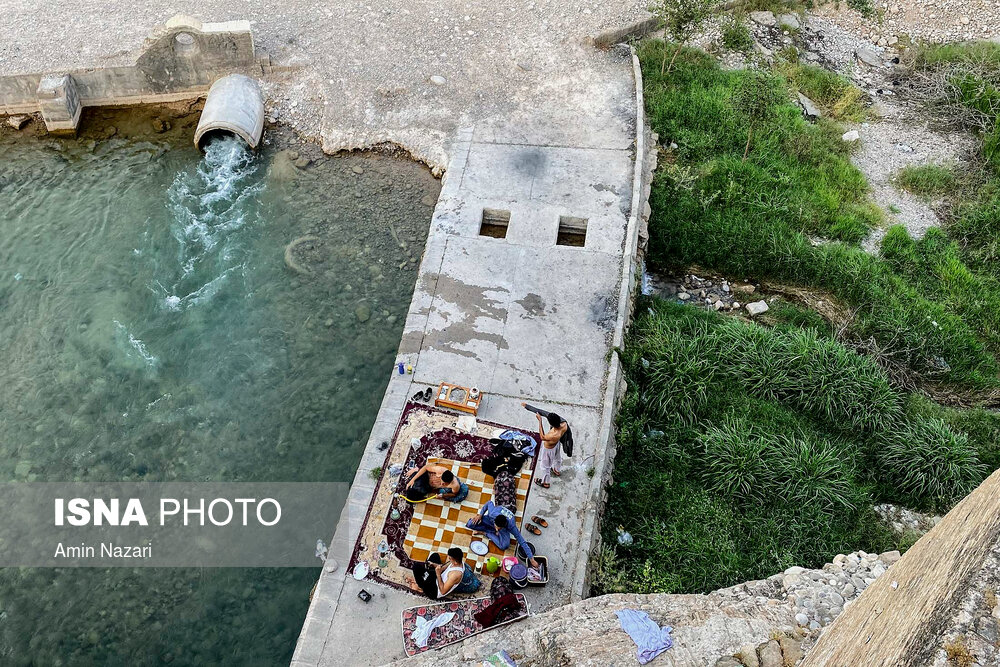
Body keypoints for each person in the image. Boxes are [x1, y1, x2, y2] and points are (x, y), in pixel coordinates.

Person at [466, 500, 539, 568]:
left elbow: (522, 542)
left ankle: (484, 533)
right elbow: (489, 502)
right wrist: (480, 515)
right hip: (491, 521)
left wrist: (532, 559)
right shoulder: (492, 513)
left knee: (504, 546)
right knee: (470, 524)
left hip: (502, 528)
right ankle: (491, 530)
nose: (497, 529)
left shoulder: (511, 526)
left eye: (498, 528)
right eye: (496, 527)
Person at [522, 404, 569, 488]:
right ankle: (557, 470)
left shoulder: (553, 435)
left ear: (551, 424)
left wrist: (540, 421)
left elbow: (542, 437)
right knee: (557, 457)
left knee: (545, 467)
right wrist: (528, 406)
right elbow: (545, 413)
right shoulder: (564, 424)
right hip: (556, 445)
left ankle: (545, 482)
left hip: (548, 450)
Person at [406, 547, 480, 598]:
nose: (448, 559)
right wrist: (433, 565)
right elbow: (443, 567)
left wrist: (438, 574)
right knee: (435, 556)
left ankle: (420, 587)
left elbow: (443, 591)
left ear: (455, 561)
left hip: (435, 590)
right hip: (438, 577)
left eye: (450, 558)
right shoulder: (457, 562)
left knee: (416, 567)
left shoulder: (455, 575)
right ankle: (426, 575)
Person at [404, 462, 469, 502]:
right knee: (413, 481)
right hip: (427, 476)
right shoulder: (440, 470)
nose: (442, 484)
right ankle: (416, 470)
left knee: (412, 497)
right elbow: (426, 468)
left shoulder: (455, 485)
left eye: (444, 484)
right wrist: (412, 481)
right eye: (441, 481)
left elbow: (454, 494)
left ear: (449, 483)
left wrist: (443, 495)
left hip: (429, 486)